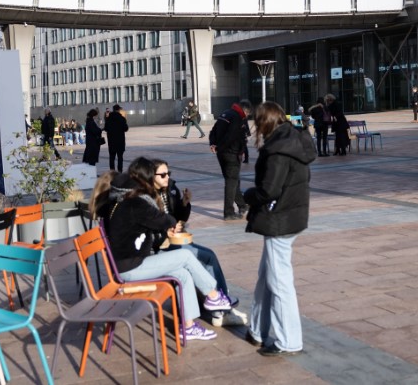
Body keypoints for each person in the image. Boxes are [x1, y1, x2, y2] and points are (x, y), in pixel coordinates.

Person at [90, 158, 233, 341]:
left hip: (129, 262)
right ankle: (213, 295)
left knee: (182, 273)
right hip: (130, 268)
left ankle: (188, 327)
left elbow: (160, 221)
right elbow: (163, 219)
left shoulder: (120, 200)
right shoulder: (134, 202)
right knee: (185, 256)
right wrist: (170, 225)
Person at [243, 101, 316, 356]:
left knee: (279, 281)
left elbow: (269, 190)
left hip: (279, 219)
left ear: (265, 122)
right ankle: (256, 329)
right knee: (267, 275)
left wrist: (247, 195)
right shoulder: (296, 140)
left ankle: (289, 340)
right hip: (292, 215)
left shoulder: (277, 150)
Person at [150, 158, 247, 327]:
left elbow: (179, 217)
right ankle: (221, 309)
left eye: (168, 173)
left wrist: (184, 204)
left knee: (208, 257)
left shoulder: (169, 189)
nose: (167, 178)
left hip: (174, 241)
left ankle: (221, 309)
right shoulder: (148, 199)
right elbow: (152, 228)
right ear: (151, 176)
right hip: (163, 246)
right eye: (163, 175)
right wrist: (167, 232)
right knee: (206, 257)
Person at [209, 100, 252, 220]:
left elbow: (213, 131)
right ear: (245, 110)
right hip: (231, 154)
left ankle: (242, 205)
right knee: (231, 182)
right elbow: (231, 136)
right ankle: (228, 212)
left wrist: (213, 144)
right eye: (248, 114)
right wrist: (221, 147)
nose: (247, 116)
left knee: (233, 180)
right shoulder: (237, 117)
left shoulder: (225, 113)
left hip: (222, 153)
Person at [104, 104, 129, 172]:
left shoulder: (108, 119)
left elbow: (105, 129)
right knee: (120, 158)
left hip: (111, 141)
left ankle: (112, 171)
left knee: (112, 157)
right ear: (119, 110)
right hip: (120, 141)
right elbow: (126, 128)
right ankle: (120, 171)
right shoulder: (122, 118)